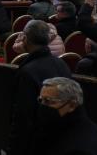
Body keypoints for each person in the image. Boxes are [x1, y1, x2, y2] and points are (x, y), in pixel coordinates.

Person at [8, 20, 72, 155]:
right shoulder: (61, 64)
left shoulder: (28, 72)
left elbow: (23, 118)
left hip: (37, 144)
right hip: (62, 138)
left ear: (25, 38)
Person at [32, 77, 97, 155]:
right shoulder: (65, 126)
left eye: (48, 101)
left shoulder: (79, 148)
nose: (42, 106)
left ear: (72, 105)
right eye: (41, 100)